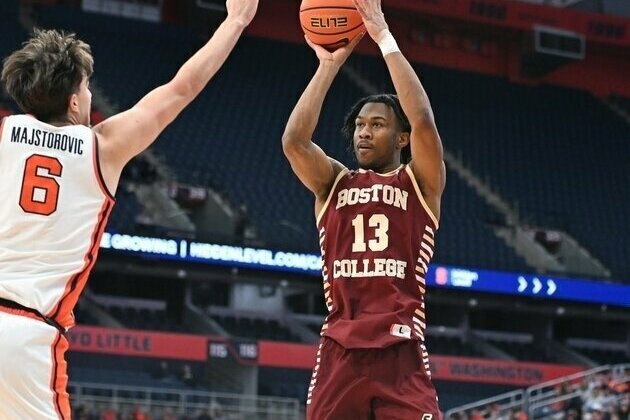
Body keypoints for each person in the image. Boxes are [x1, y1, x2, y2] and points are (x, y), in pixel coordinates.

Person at [0, 0, 258, 418]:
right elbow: (181, 88)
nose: (89, 95)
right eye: (86, 88)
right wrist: (237, 20)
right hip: (28, 336)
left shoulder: (3, 133)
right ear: (72, 103)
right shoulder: (102, 148)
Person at [282, 0, 446, 418]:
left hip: (401, 350)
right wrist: (328, 64)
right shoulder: (334, 182)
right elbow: (294, 142)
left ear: (402, 138)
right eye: (359, 125)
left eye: (377, 124)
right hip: (340, 348)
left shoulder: (420, 183)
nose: (364, 132)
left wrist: (382, 35)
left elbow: (423, 119)